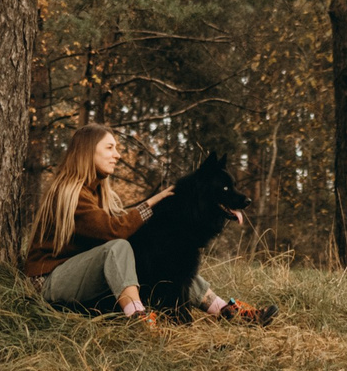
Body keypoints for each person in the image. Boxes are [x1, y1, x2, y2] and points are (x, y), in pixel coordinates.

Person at [21, 125, 265, 321]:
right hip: (48, 281)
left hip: (73, 273)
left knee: (168, 257)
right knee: (118, 248)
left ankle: (224, 309)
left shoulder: (97, 192)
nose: (117, 154)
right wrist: (153, 203)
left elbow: (122, 225)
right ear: (88, 152)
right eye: (110, 148)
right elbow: (113, 231)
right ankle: (137, 315)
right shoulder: (71, 193)